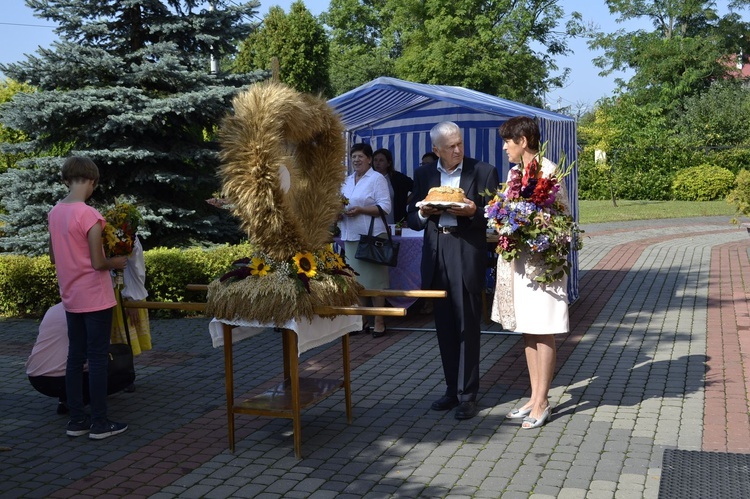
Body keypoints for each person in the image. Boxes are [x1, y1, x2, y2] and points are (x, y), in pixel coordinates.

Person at [406, 121, 499, 420]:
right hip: (437, 253)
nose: (458, 149)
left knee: (467, 327)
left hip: (465, 250)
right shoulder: (423, 174)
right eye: (451, 146)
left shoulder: (483, 171)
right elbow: (409, 216)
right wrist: (422, 211)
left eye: (460, 143)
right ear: (436, 150)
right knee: (444, 327)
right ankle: (450, 389)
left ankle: (468, 394)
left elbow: (496, 216)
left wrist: (474, 212)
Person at [492, 116, 570, 429]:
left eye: (507, 141)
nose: (504, 147)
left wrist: (531, 225)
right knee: (527, 328)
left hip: (542, 263)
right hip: (519, 263)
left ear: (523, 140)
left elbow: (562, 220)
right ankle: (534, 393)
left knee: (543, 327)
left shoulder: (549, 171)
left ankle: (543, 400)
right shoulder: (515, 173)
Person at [48, 156, 129, 440]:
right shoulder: (90, 215)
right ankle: (100, 423)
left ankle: (76, 421)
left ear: (67, 180)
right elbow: (97, 262)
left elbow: (53, 256)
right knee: (96, 360)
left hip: (70, 295)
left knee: (74, 358)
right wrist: (116, 263)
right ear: (92, 182)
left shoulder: (54, 212)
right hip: (95, 296)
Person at [26, 303, 133, 415]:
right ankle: (90, 408)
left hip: (36, 377)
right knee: (108, 371)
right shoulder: (92, 312)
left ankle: (65, 400)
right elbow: (102, 352)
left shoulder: (53, 309)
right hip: (63, 379)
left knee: (70, 359)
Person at [340, 143, 392, 337]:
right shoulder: (346, 180)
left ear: (369, 159)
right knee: (357, 281)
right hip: (350, 235)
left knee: (376, 281)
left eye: (360, 156)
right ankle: (362, 320)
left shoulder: (377, 178)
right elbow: (341, 203)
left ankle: (379, 320)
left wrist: (361, 210)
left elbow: (385, 207)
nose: (356, 160)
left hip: (372, 237)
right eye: (353, 157)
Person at [111, 234, 151, 357]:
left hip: (125, 292)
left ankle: (125, 371)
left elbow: (136, 268)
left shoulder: (128, 238)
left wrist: (132, 299)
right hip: (112, 292)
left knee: (126, 344)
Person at [372, 148, 413, 225]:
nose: (377, 163)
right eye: (375, 160)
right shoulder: (367, 178)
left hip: (395, 221)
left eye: (381, 160)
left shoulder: (398, 178)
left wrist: (404, 201)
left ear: (388, 163)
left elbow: (417, 188)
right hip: (373, 223)